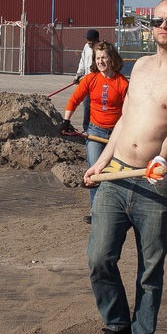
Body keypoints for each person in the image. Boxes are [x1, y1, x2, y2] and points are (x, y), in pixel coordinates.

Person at [82, 0, 167, 334]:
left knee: (150, 268)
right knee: (99, 258)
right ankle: (117, 324)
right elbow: (124, 121)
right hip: (116, 176)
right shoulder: (139, 66)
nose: (162, 26)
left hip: (155, 182)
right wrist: (100, 163)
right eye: (157, 20)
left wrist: (163, 159)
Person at [62, 41, 129, 219]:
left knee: (117, 172)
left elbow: (130, 110)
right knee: (95, 171)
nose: (100, 61)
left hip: (116, 133)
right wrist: (66, 120)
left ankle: (119, 209)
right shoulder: (90, 79)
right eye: (97, 58)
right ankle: (96, 212)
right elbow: (74, 99)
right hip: (96, 132)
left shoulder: (122, 82)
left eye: (103, 57)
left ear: (112, 58)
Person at [74, 29, 100, 133]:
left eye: (90, 39)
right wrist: (78, 75)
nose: (88, 41)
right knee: (86, 105)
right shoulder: (86, 47)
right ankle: (86, 129)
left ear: (96, 40)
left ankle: (98, 128)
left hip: (98, 83)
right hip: (87, 83)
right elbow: (82, 61)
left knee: (96, 107)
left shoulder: (100, 50)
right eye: (87, 39)